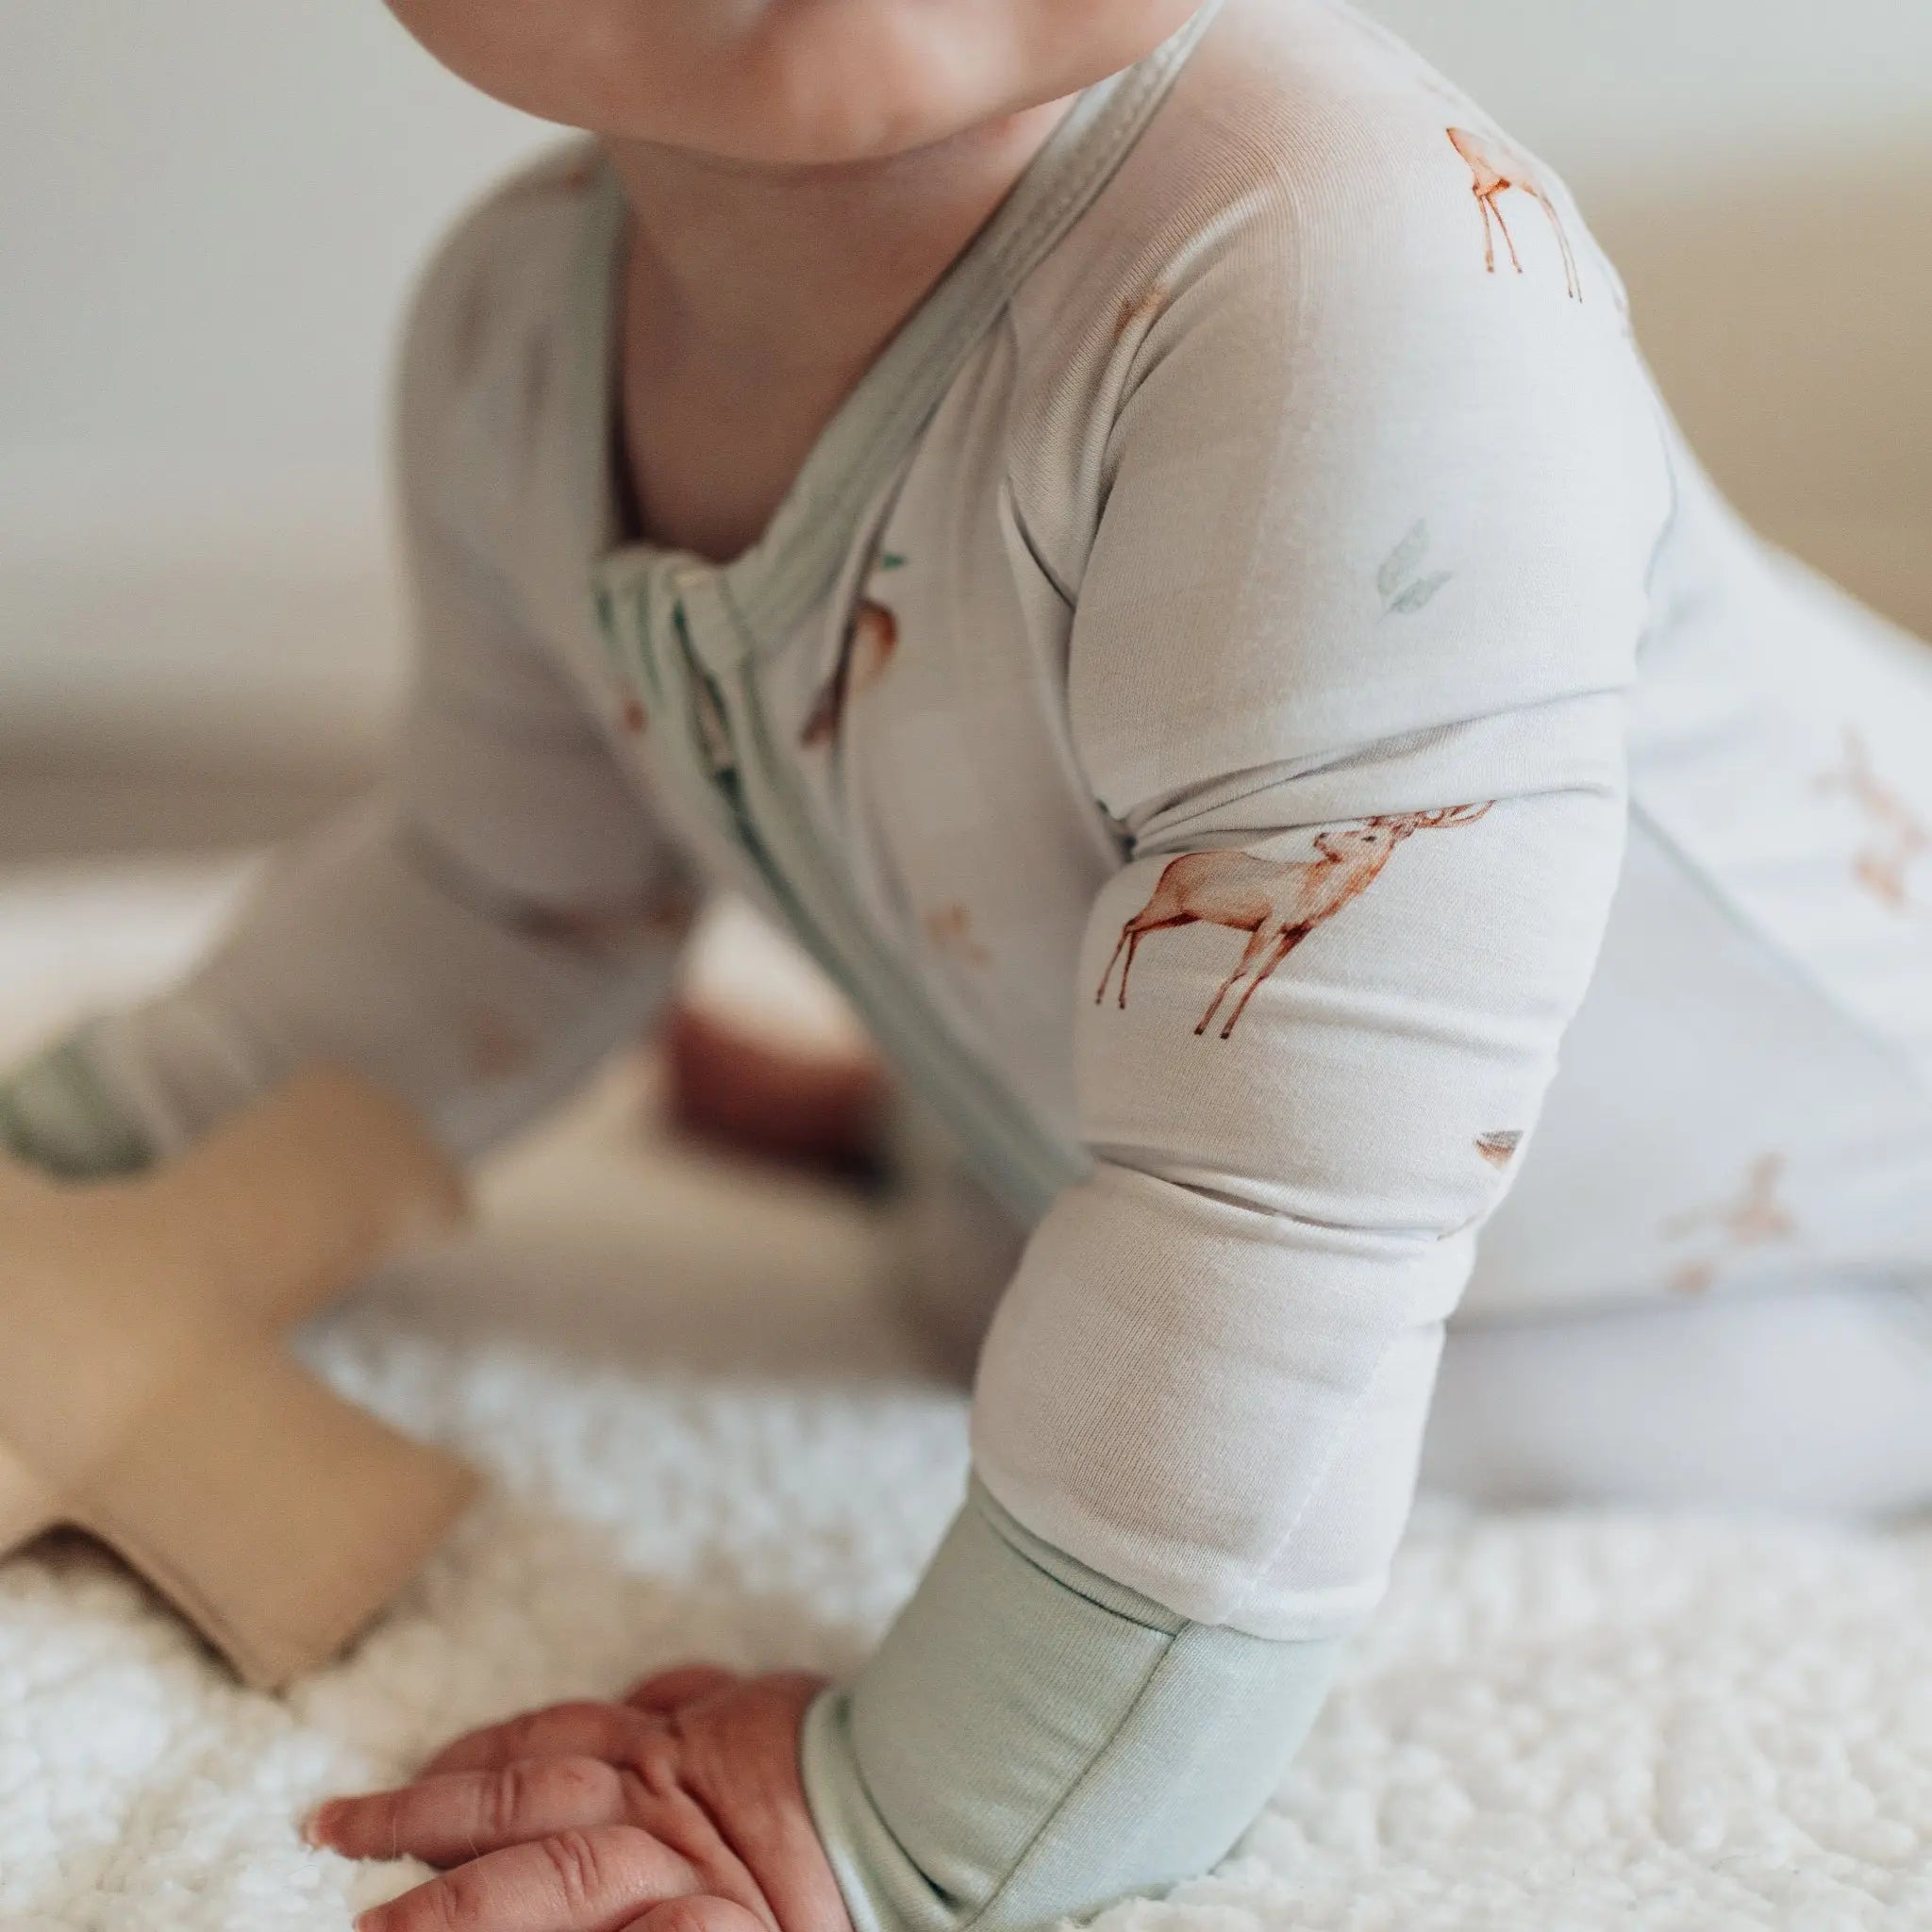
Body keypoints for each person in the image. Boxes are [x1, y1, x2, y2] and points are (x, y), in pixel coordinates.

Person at [8, 1, 1932, 1927]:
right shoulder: (512, 340)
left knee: (1418, 1372)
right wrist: (64, 1159)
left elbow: (1291, 1207)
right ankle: (955, 1113)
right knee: (1013, 1252)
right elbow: (489, 901)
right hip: (1269, 1118)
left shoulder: (1351, 284)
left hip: (1849, 1215)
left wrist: (916, 1824)